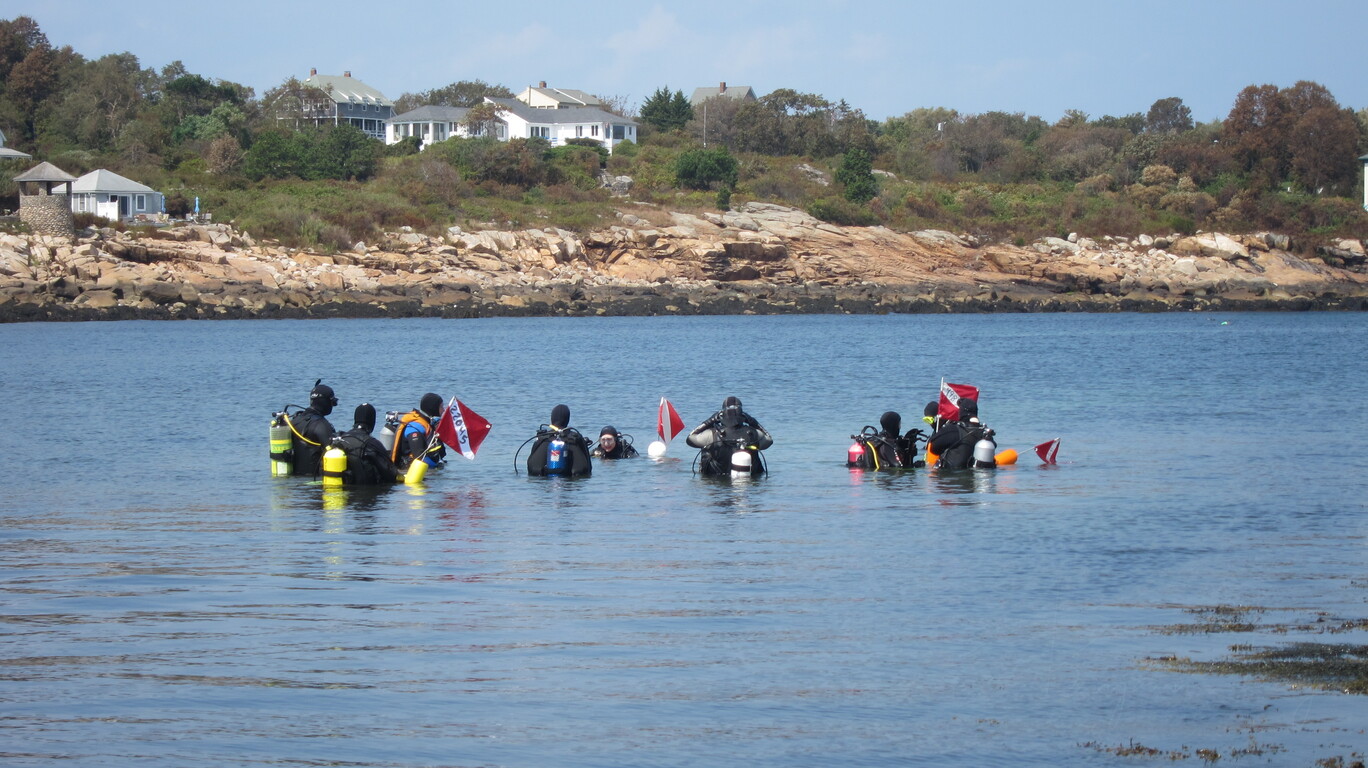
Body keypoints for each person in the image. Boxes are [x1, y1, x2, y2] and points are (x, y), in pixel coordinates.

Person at [686, 396, 773, 477]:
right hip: (747, 481)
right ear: (742, 415)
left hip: (716, 481)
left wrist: (710, 421)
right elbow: (769, 439)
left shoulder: (712, 435)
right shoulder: (754, 434)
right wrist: (753, 422)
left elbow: (690, 438)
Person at [330, 403, 400, 485]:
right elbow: (391, 474)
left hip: (337, 488)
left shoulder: (340, 439)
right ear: (372, 421)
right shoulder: (372, 443)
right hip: (366, 490)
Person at [287, 380, 338, 477]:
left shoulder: (294, 421)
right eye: (332, 402)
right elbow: (335, 452)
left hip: (295, 480)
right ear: (324, 402)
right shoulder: (321, 425)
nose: (333, 406)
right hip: (314, 479)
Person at [928, 398, 995, 470]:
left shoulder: (953, 430)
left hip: (952, 474)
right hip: (976, 474)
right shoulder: (984, 433)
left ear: (961, 413)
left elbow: (933, 447)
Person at [526, 404, 593, 477]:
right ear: (567, 419)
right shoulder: (576, 438)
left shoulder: (542, 438)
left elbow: (531, 466)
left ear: (552, 419)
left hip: (540, 480)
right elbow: (588, 468)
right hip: (571, 480)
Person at [390, 393, 446, 472]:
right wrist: (435, 466)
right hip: (410, 471)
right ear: (433, 408)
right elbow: (419, 457)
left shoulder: (428, 424)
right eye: (441, 407)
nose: (444, 410)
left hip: (428, 468)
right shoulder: (415, 427)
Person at [849, 411, 922, 470]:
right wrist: (915, 466)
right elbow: (898, 466)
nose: (900, 427)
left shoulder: (876, 440)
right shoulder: (887, 444)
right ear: (894, 425)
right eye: (899, 424)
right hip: (887, 477)